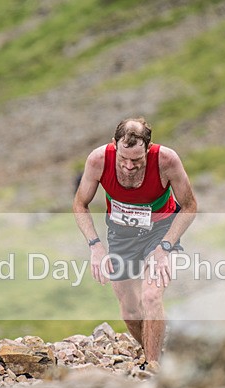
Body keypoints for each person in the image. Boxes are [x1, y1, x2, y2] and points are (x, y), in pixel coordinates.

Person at [73, 117, 197, 362]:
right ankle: (158, 352)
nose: (129, 166)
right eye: (123, 159)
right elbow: (80, 204)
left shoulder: (166, 160)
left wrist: (165, 248)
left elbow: (190, 207)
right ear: (114, 145)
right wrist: (95, 247)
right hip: (121, 233)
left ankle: (153, 369)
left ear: (148, 150)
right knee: (130, 311)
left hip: (160, 229)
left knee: (151, 295)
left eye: (137, 161)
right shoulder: (98, 160)